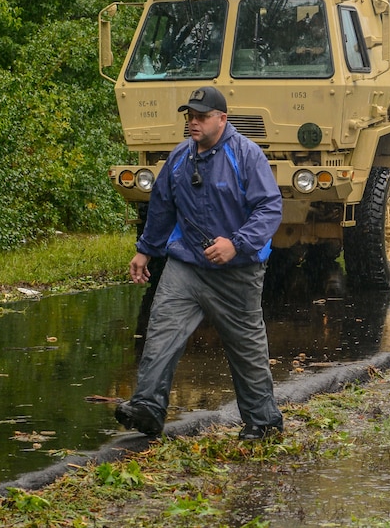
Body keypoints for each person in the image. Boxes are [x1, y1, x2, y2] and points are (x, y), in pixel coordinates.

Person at [115, 85, 285, 441]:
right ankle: (147, 408)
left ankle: (262, 422)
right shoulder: (179, 158)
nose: (193, 123)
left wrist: (235, 244)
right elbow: (161, 207)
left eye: (201, 117)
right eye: (190, 116)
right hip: (187, 265)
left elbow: (269, 207)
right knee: (162, 331)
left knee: (246, 346)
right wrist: (145, 250)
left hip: (238, 271)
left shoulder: (246, 154)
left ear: (222, 119)